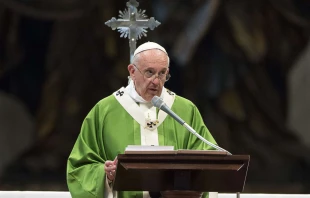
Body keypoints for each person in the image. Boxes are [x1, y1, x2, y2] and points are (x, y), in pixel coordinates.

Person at [67, 42, 217, 198]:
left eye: (162, 73)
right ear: (132, 71)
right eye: (149, 72)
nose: (156, 81)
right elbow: (79, 168)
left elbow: (208, 160)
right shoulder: (105, 110)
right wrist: (106, 175)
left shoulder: (185, 110)